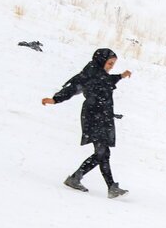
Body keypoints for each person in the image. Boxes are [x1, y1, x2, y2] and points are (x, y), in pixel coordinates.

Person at [42, 48, 132, 198]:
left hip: (103, 116)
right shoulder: (89, 75)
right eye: (109, 63)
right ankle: (110, 187)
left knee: (102, 153)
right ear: (101, 61)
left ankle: (76, 178)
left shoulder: (102, 75)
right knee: (102, 152)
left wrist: (121, 76)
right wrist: (55, 99)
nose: (111, 67)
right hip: (93, 116)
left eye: (113, 64)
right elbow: (72, 88)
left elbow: (108, 80)